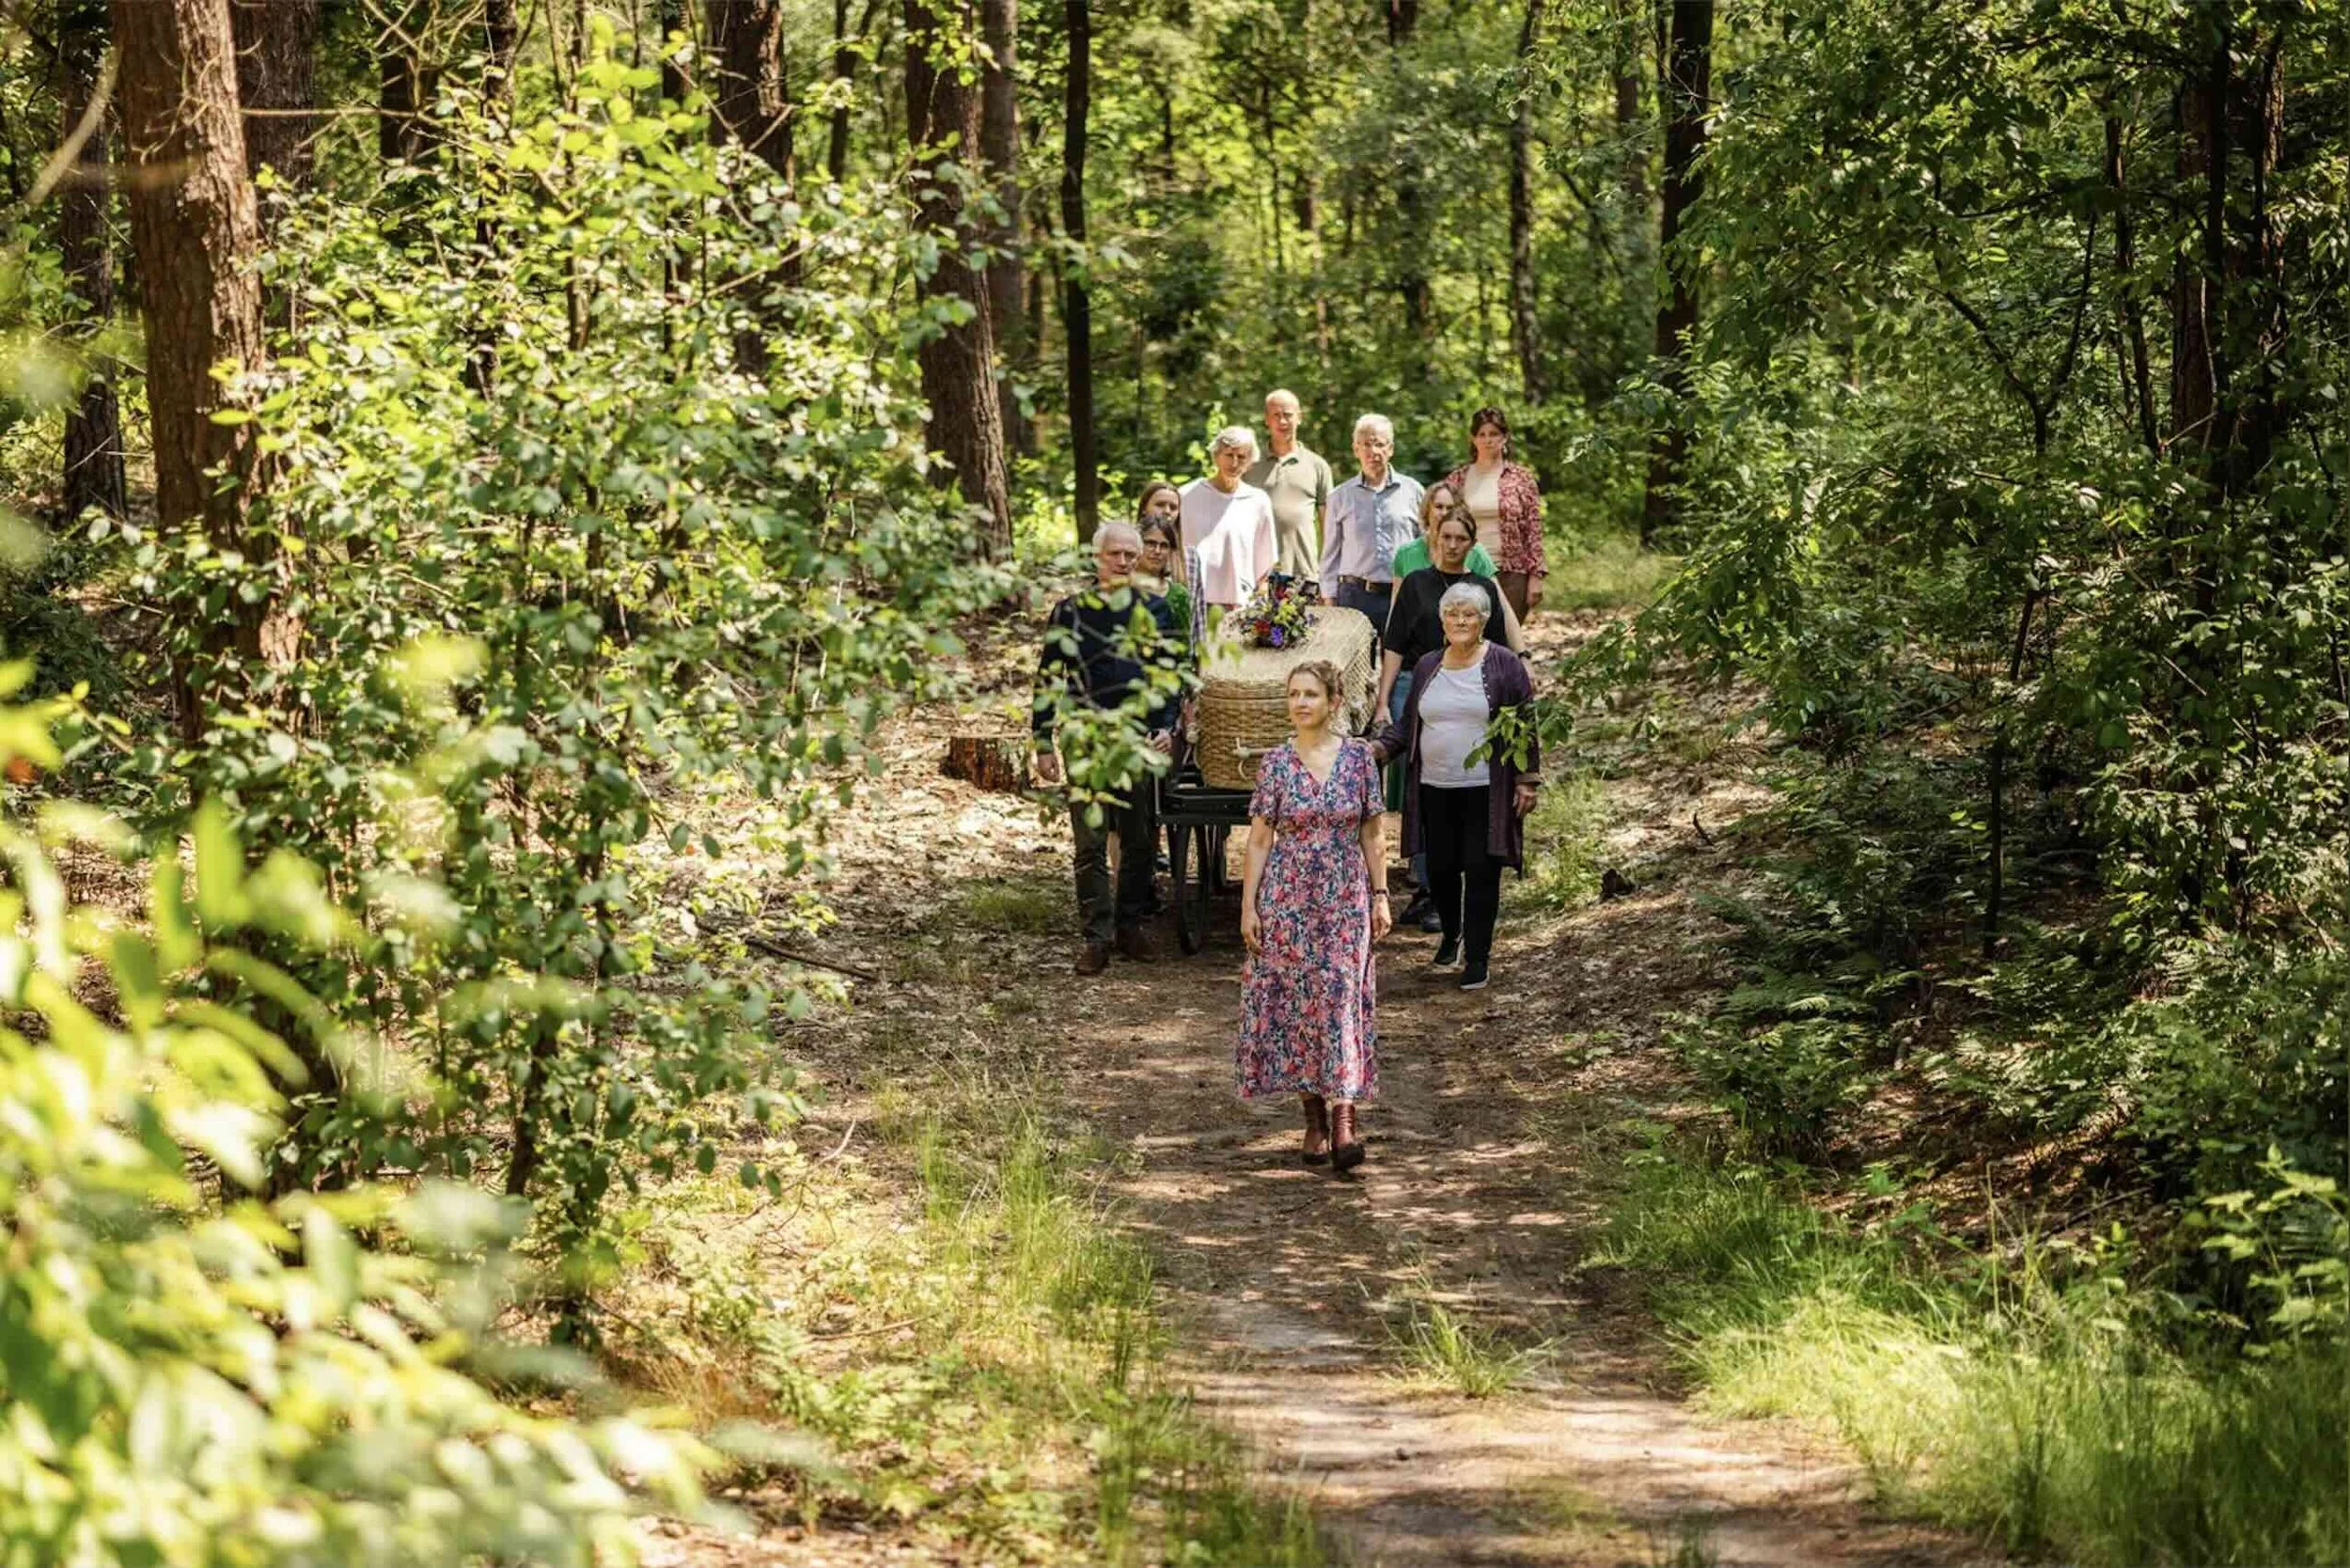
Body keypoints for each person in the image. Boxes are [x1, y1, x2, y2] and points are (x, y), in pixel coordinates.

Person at [1237, 660, 1392, 1171]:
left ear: (1333, 702)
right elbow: (1259, 840)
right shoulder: (1276, 763)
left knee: (1343, 997)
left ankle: (1346, 1115)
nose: (1301, 703)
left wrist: (1381, 893)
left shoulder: (1358, 760)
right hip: (1288, 898)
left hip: (1344, 896)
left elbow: (1372, 832)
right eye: (1293, 694)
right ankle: (1313, 1117)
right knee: (1299, 1006)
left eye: (1310, 694)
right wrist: (1249, 906)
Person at [1371, 580, 1542, 991]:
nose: (1460, 621)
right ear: (1442, 621)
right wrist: (1375, 749)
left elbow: (1524, 727)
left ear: (1483, 621)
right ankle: (1452, 933)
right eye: (1453, 614)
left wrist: (1528, 779)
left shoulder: (1504, 664)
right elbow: (1411, 724)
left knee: (1482, 871)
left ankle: (1478, 959)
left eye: (1469, 615)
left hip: (1487, 788)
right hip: (1434, 786)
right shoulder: (1429, 664)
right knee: (1443, 870)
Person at [1033, 522, 1183, 975]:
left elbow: (1170, 677)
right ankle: (1096, 936)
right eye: (1115, 554)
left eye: (1130, 555)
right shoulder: (1070, 612)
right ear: (1097, 557)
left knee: (1140, 836)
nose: (1123, 562)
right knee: (1090, 842)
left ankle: (1129, 925)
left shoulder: (1156, 611)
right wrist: (1042, 741)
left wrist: (1166, 725)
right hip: (1084, 738)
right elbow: (1048, 679)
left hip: (1138, 738)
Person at [1378, 498, 1515, 930]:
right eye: (1446, 537)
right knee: (1420, 782)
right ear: (1435, 537)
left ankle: (1453, 892)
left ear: (1472, 544)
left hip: (1471, 691)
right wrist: (1383, 700)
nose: (1453, 544)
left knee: (1464, 784)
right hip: (1417, 684)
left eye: (1461, 538)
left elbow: (1499, 646)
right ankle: (1427, 886)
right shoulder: (1417, 583)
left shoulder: (1483, 588)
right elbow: (1395, 643)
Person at [1318, 413, 1423, 631]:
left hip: (1404, 594)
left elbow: (1426, 546)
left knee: (1402, 663)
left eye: (1379, 444)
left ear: (1390, 449)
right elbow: (1330, 554)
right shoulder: (1339, 496)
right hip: (1355, 597)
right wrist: (1329, 599)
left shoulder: (1414, 491)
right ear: (1356, 449)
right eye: (1366, 444)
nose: (1373, 451)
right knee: (1356, 663)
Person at [1441, 406, 1546, 622]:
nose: (1488, 440)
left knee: (1507, 638)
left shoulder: (1521, 479)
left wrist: (1536, 576)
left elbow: (1533, 530)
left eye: (1494, 434)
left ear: (1505, 437)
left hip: (1512, 572)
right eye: (1482, 434)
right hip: (1467, 569)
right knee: (1469, 635)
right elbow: (1440, 523)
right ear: (1473, 439)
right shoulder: (1457, 480)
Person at [1180, 427, 1279, 616]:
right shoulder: (1186, 496)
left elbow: (1264, 564)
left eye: (1241, 457)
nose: (1234, 463)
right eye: (1229, 455)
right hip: (1194, 600)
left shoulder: (1258, 501)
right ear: (1216, 456)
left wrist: (1260, 608)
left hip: (1239, 605)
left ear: (1250, 462)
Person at [1245, 388, 1334, 581]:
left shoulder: (1318, 466)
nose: (1282, 421)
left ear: (1299, 417)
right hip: (1256, 575)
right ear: (1266, 419)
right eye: (1276, 415)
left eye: (1288, 415)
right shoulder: (1249, 465)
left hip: (1303, 574)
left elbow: (1329, 528)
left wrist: (1328, 575)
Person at [1392, 481, 1499, 582]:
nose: (1444, 513)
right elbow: (1398, 601)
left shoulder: (1475, 552)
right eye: (1439, 507)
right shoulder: (1405, 554)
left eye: (1450, 508)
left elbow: (1498, 599)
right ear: (1427, 510)